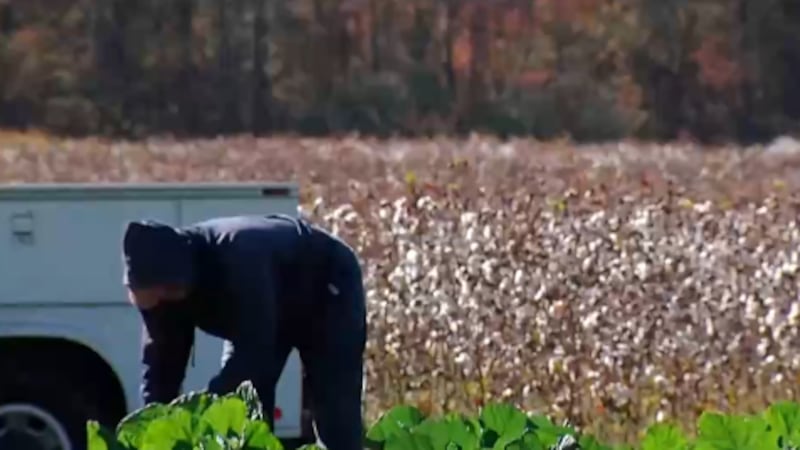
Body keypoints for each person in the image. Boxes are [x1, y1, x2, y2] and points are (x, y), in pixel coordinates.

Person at [121, 213, 367, 450]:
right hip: (267, 305)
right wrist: (156, 428)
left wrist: (206, 409)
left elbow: (253, 350)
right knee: (248, 410)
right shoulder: (162, 293)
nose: (155, 306)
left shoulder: (236, 259)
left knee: (335, 407)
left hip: (326, 284)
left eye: (161, 296)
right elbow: (161, 364)